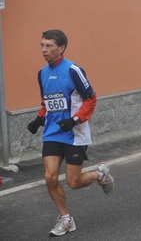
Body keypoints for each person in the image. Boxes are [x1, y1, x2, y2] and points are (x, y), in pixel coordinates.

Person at [27, 29, 114, 236]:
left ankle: (100, 174)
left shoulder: (74, 70)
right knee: (50, 177)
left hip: (74, 133)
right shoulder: (42, 73)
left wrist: (74, 119)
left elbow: (90, 98)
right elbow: (46, 102)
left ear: (61, 48)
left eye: (49, 46)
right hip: (52, 133)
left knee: (74, 182)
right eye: (42, 45)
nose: (44, 50)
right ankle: (66, 219)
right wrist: (39, 119)